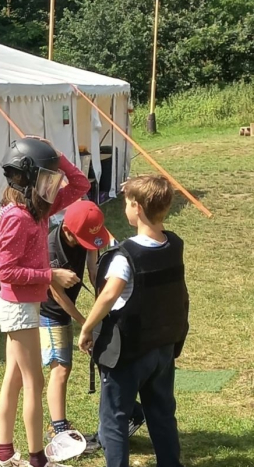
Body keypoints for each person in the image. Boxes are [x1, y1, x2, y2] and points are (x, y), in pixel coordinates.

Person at [0, 136, 90, 467]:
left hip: (22, 306)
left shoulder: (38, 210)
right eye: (46, 179)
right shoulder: (18, 218)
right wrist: (51, 275)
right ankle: (37, 459)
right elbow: (6, 270)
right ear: (28, 179)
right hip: (18, 308)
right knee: (34, 382)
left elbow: (79, 184)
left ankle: (4, 455)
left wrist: (54, 154)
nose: (53, 187)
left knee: (15, 378)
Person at [79, 175, 189, 467]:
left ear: (137, 207)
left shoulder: (125, 256)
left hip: (128, 352)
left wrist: (87, 328)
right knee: (162, 412)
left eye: (127, 202)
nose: (126, 208)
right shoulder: (174, 245)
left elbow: (108, 296)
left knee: (113, 418)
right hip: (163, 347)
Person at [40, 200, 110, 441]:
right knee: (60, 367)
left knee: (61, 367)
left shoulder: (85, 235)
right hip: (49, 313)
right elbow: (58, 297)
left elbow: (93, 268)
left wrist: (102, 296)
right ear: (68, 231)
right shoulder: (50, 249)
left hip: (66, 312)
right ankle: (57, 428)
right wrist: (85, 322)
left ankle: (59, 424)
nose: (88, 245)